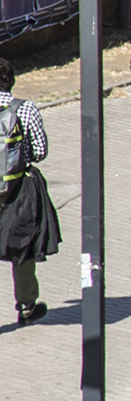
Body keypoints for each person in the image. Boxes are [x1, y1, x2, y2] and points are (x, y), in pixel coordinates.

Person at [0, 59, 57, 325]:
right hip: (18, 190)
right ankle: (26, 305)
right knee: (21, 250)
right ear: (11, 80)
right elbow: (41, 151)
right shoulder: (26, 109)